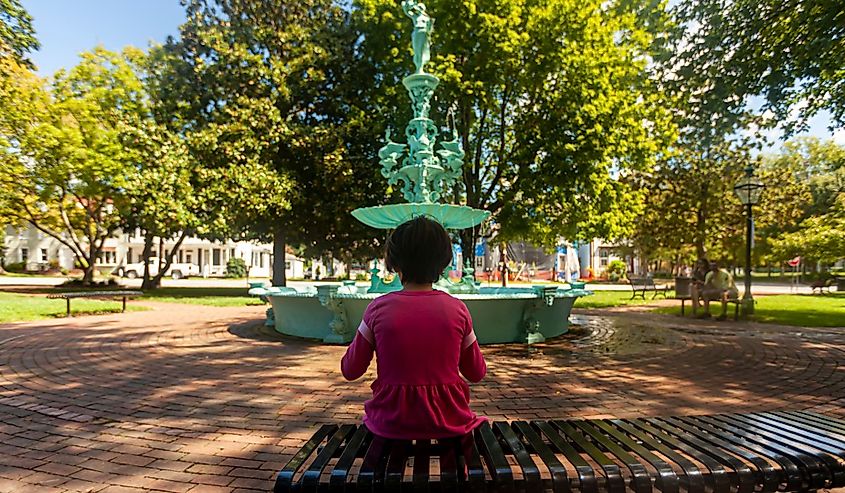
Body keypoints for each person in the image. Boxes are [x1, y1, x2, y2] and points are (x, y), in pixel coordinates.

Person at [341, 216, 487, 439]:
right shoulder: (457, 310)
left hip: (389, 424)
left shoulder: (377, 309)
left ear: (394, 262)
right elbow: (476, 373)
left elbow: (350, 370)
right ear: (443, 261)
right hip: (449, 423)